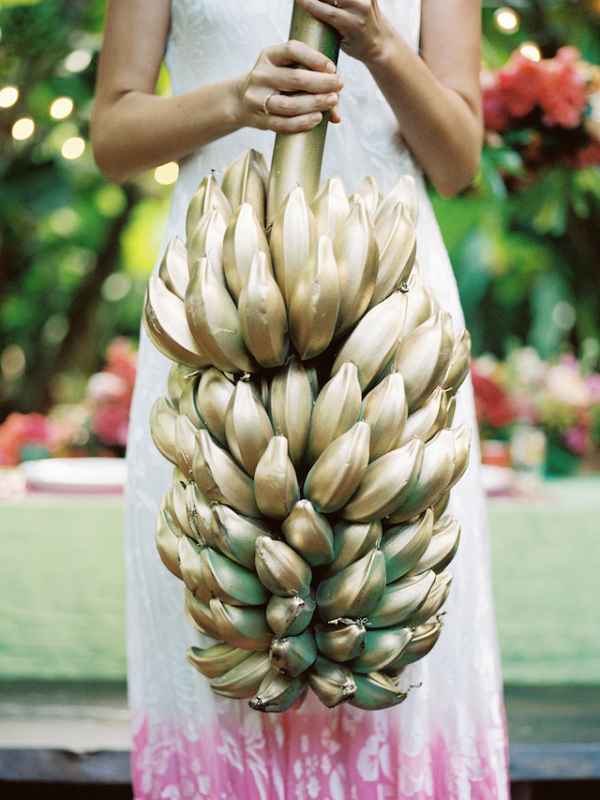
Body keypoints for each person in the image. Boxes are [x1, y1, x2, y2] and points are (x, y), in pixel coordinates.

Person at [92, 1, 510, 798]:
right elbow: (113, 137)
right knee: (225, 598)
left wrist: (382, 43)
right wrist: (232, 101)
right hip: (222, 309)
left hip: (391, 324)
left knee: (388, 599)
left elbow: (458, 161)